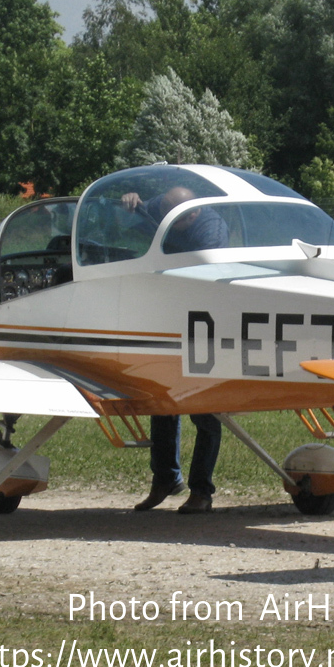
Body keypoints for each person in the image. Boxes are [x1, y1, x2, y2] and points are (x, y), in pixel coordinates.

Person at [122, 186, 228, 514]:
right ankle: (166, 479)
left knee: (204, 410)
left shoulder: (211, 230)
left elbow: (199, 276)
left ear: (191, 214)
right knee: (162, 401)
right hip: (168, 320)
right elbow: (135, 221)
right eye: (158, 211)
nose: (160, 217)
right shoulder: (165, 207)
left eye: (171, 218)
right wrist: (130, 202)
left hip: (207, 323)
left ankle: (202, 491)